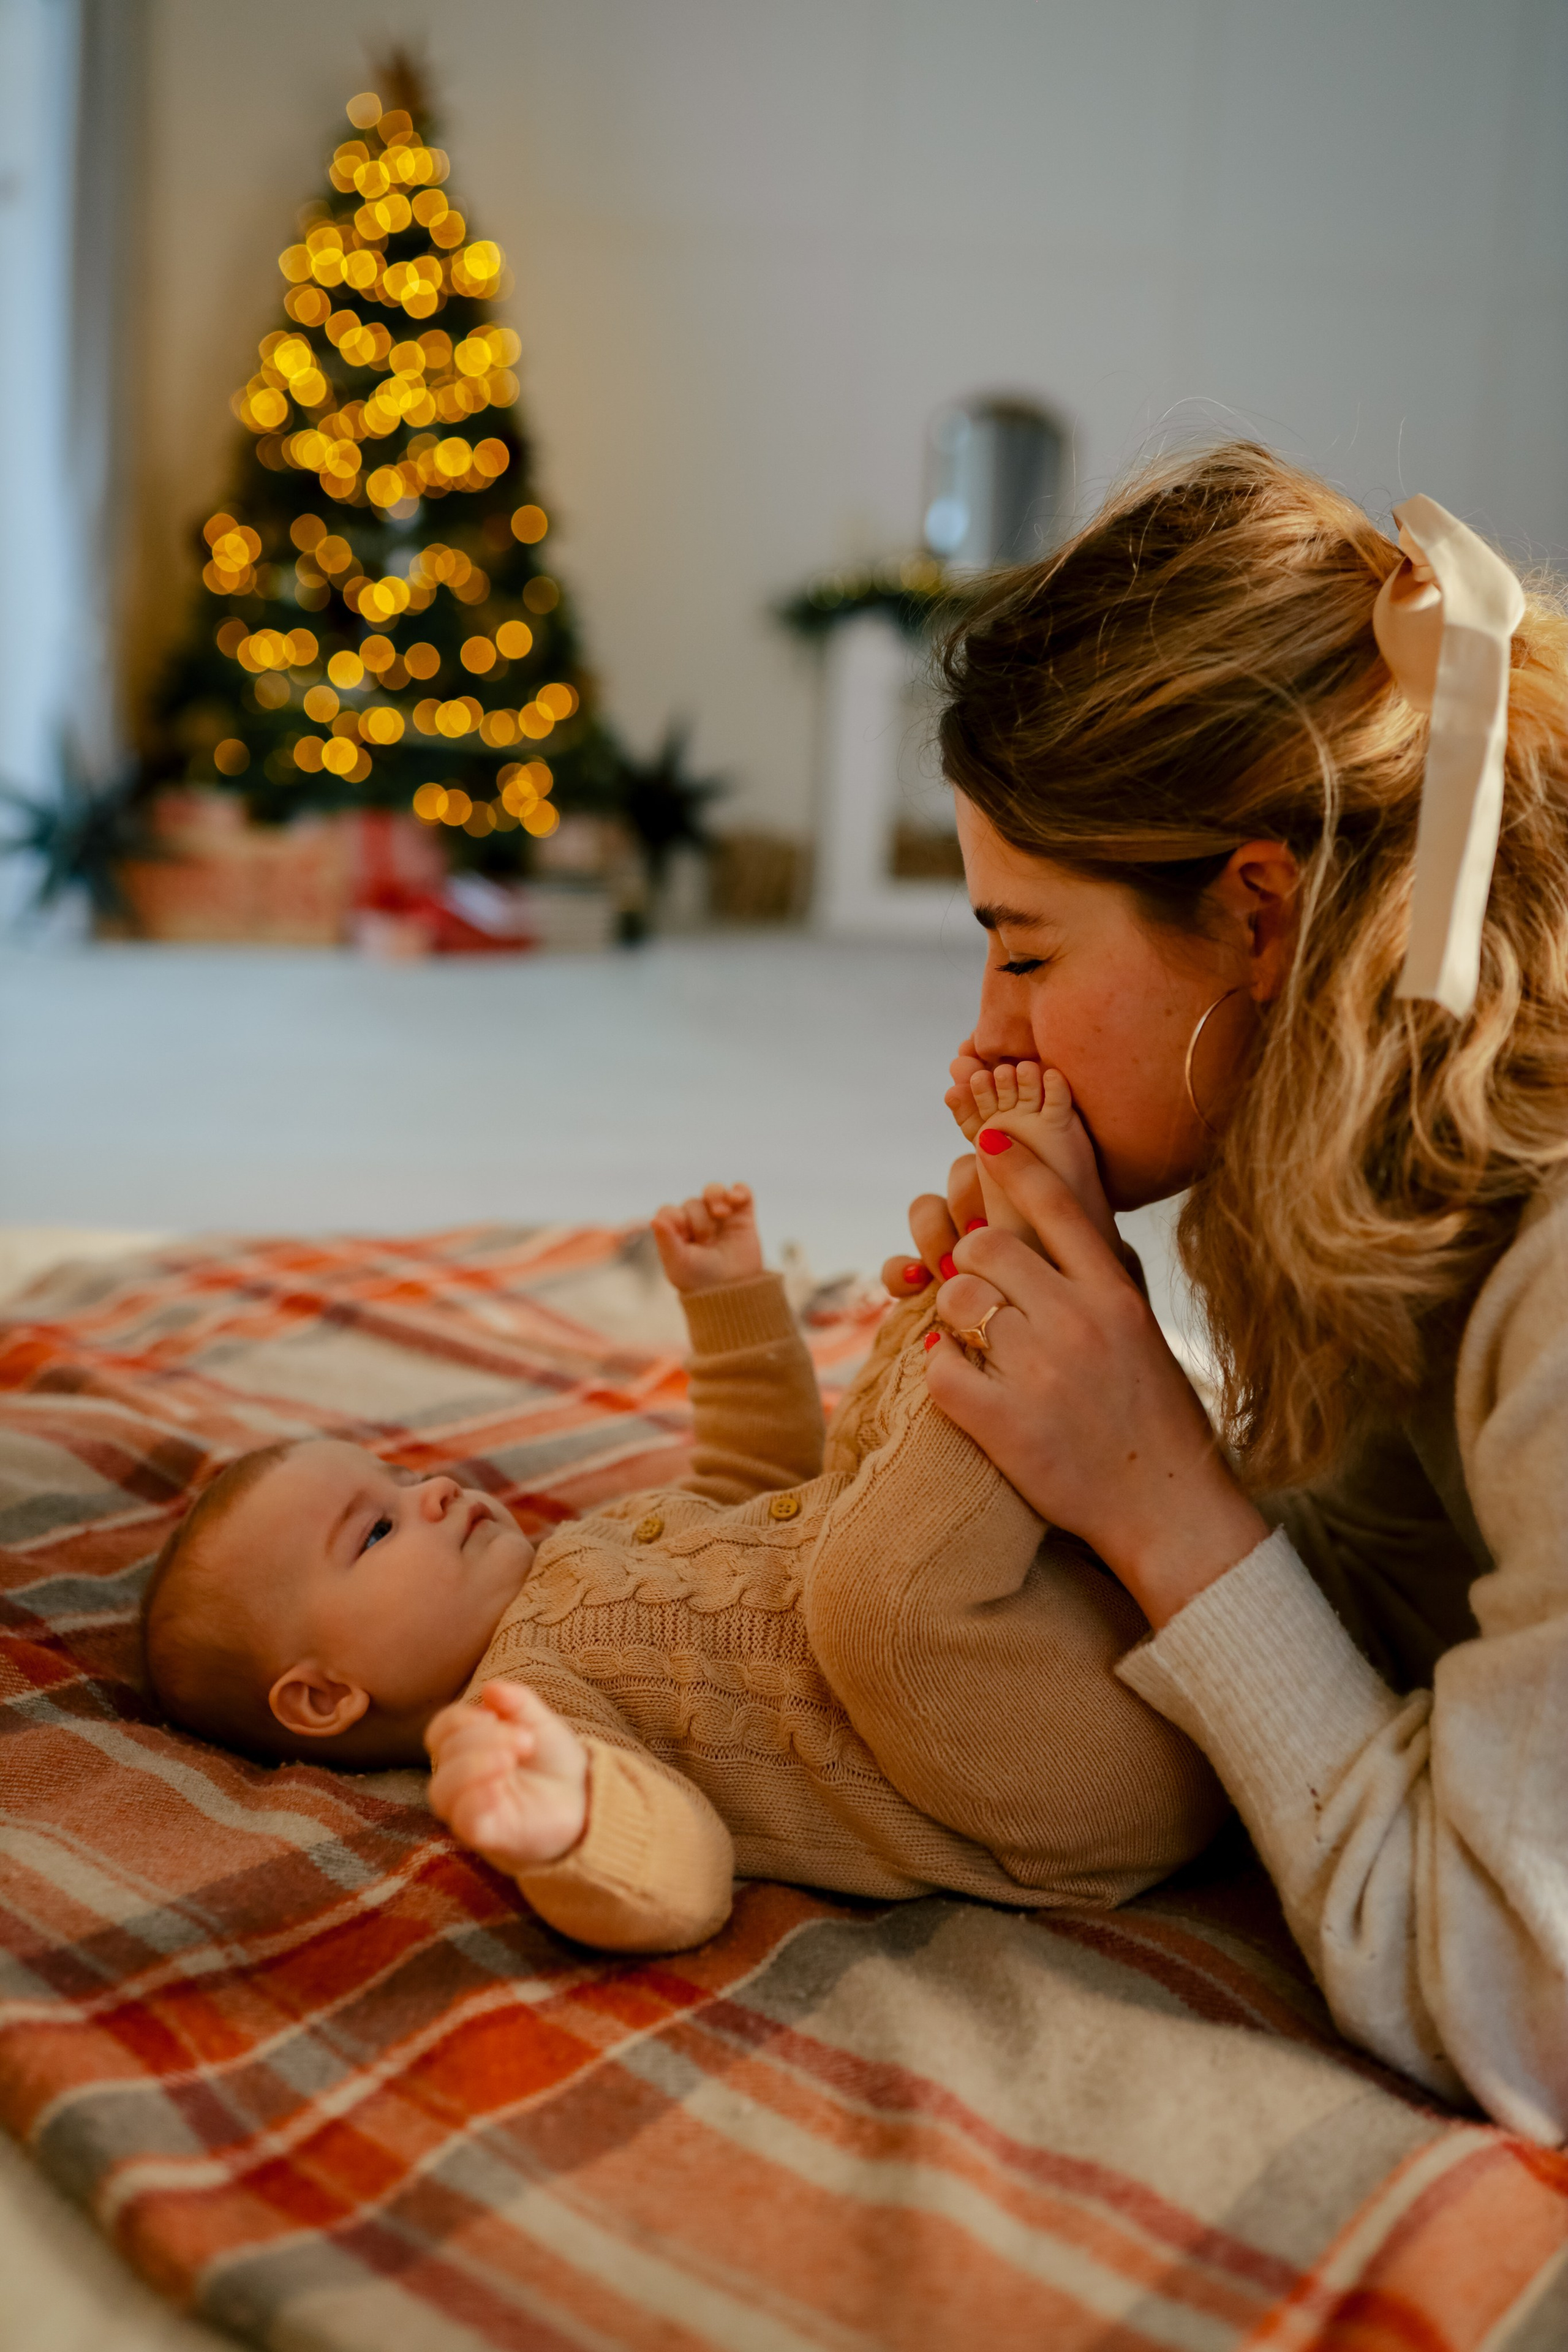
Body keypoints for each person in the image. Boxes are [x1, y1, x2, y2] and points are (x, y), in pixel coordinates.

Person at [884, 442, 1568, 2142]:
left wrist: (1160, 1492)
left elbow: (1519, 2004)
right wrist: (1086, 1454)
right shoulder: (1397, 1119)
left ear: (1261, 913)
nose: (985, 1040)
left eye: (1028, 949)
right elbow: (1415, 1607)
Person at [140, 1111, 1224, 1955]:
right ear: (326, 1697)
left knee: (862, 1459)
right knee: (873, 1597)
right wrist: (569, 1827)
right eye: (373, 1533)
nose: (429, 1491)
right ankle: (1025, 1277)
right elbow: (679, 1871)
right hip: (1074, 1779)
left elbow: (759, 1479)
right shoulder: (534, 1708)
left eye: (402, 1474)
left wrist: (732, 1305)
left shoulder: (577, 1547)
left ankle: (1002, 1312)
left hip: (1071, 1624)